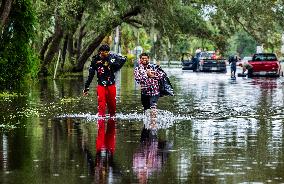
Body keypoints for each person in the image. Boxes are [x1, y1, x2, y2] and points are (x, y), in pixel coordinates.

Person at [83, 44, 127, 118]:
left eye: (107, 52)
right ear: (100, 52)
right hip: (101, 85)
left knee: (112, 105)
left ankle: (112, 120)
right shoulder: (95, 60)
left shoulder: (112, 57)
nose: (106, 53)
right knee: (101, 103)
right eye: (104, 52)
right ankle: (101, 119)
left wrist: (112, 65)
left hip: (111, 84)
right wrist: (86, 87)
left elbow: (123, 59)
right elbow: (91, 75)